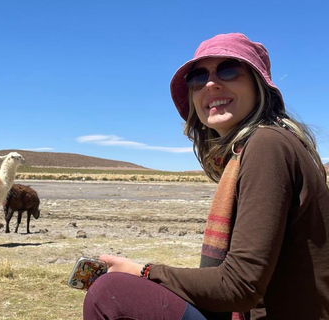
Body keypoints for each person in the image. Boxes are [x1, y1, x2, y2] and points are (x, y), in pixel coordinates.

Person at [83, 33, 329, 319]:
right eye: (198, 77)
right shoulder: (261, 147)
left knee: (110, 293)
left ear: (258, 85)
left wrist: (144, 271)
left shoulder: (267, 145)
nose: (211, 83)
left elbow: (240, 285)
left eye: (229, 69)